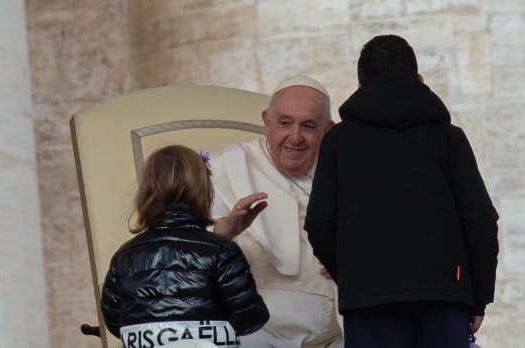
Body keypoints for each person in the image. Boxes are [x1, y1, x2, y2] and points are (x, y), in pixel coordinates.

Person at [304, 34, 499, 348]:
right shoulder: (449, 138)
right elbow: (480, 220)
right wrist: (478, 298)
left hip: (369, 301)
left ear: (359, 87)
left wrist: (355, 274)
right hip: (443, 296)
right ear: (420, 80)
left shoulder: (339, 141)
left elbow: (319, 223)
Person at [210, 75, 342, 347]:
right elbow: (183, 249)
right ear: (266, 123)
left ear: (327, 130)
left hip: (341, 330)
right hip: (257, 332)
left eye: (308, 126)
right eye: (284, 123)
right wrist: (224, 233)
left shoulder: (349, 171)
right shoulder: (224, 166)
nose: (295, 138)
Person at [100, 145, 270, 348]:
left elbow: (114, 322)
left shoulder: (123, 256)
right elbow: (251, 317)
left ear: (146, 193)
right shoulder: (221, 251)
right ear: (204, 192)